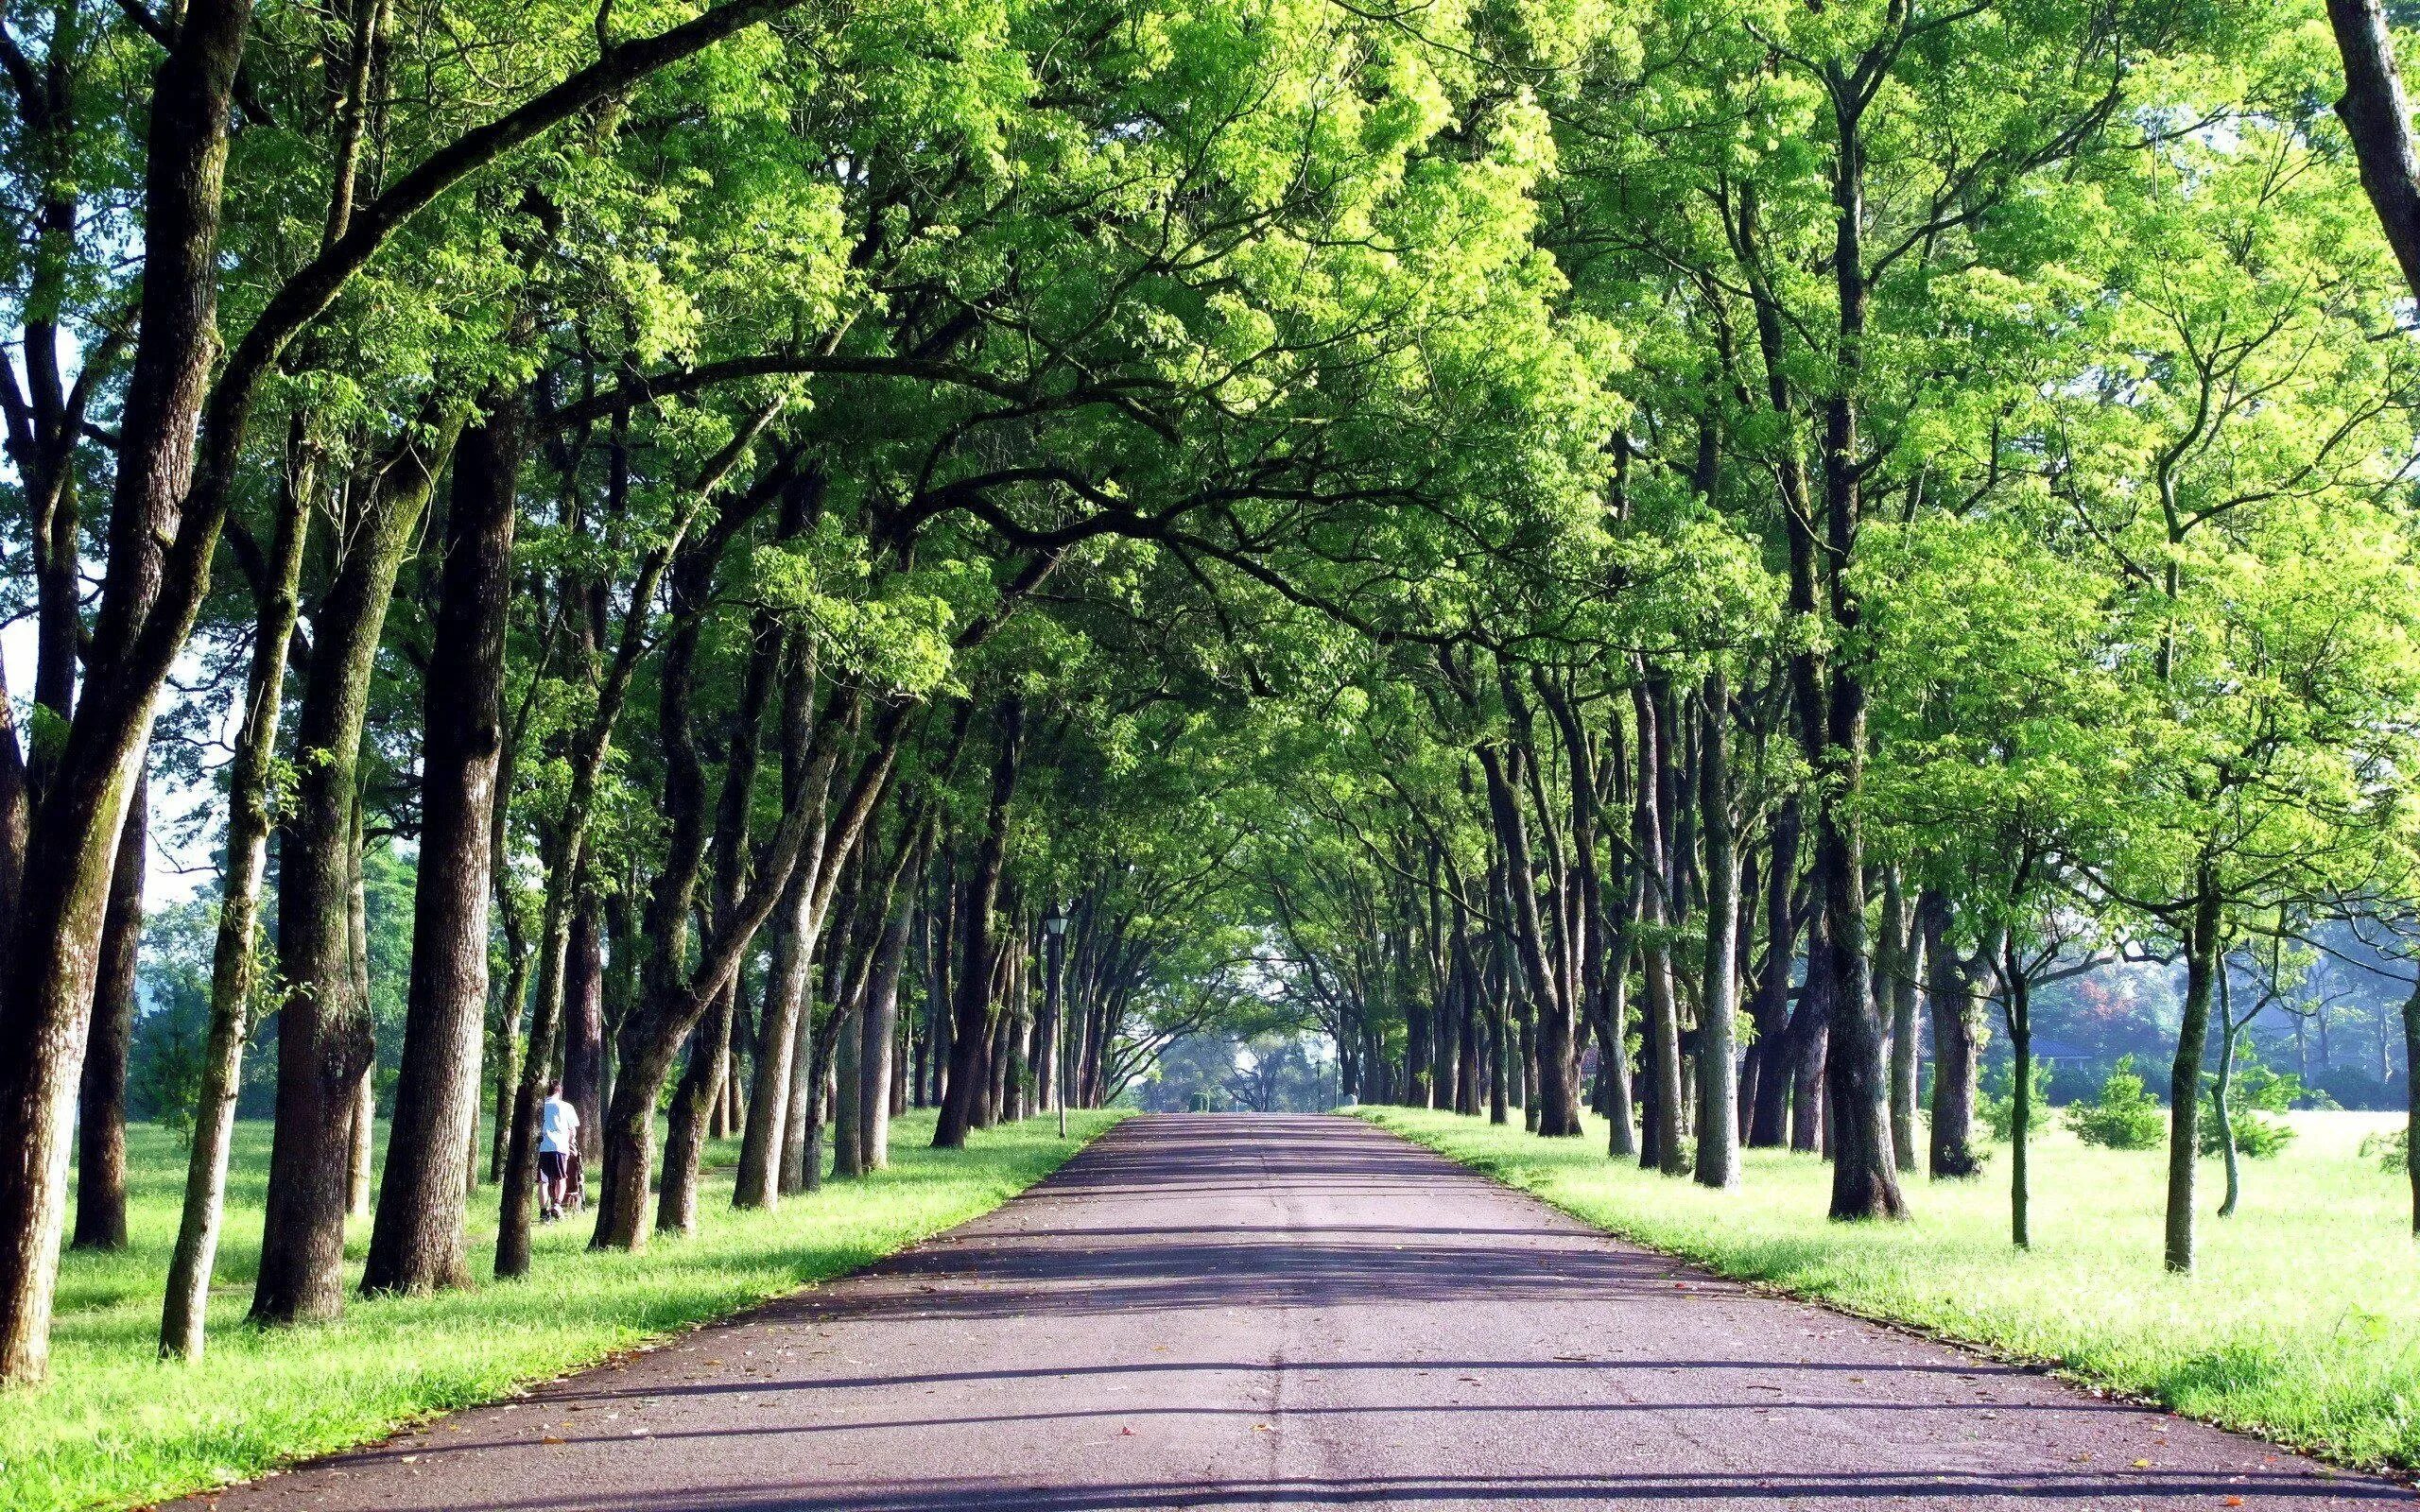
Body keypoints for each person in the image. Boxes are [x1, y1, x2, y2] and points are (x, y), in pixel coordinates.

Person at [538, 1081, 579, 1223]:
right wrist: (570, 1144)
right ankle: (557, 1204)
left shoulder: (539, 1106)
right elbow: (572, 1131)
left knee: (543, 1182)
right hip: (560, 1147)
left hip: (542, 1147)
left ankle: (543, 1213)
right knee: (561, 1178)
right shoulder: (566, 1107)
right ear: (559, 1091)